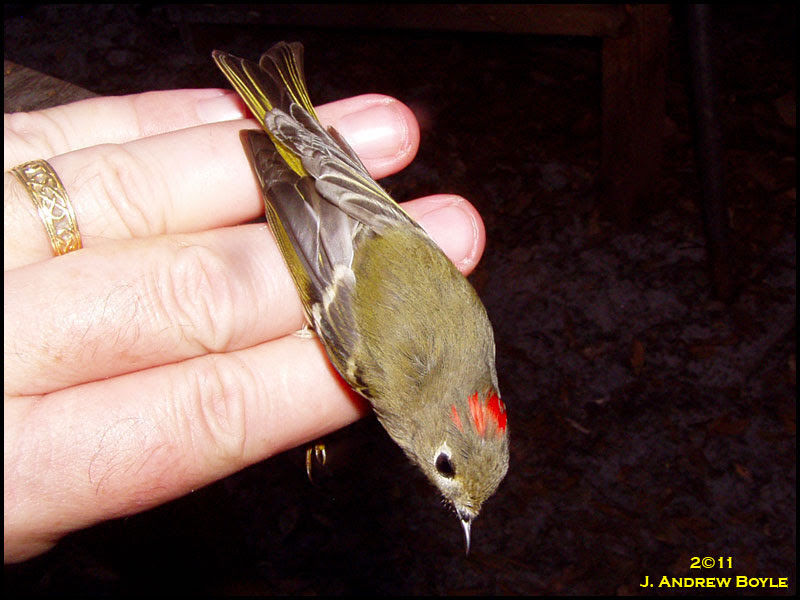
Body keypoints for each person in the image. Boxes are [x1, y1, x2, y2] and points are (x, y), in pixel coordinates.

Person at [4, 88, 487, 563]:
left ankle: (283, 104)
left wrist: (322, 154)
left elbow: (394, 234)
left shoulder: (479, 344)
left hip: (359, 200)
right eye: (443, 466)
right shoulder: (392, 384)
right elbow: (321, 269)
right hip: (324, 223)